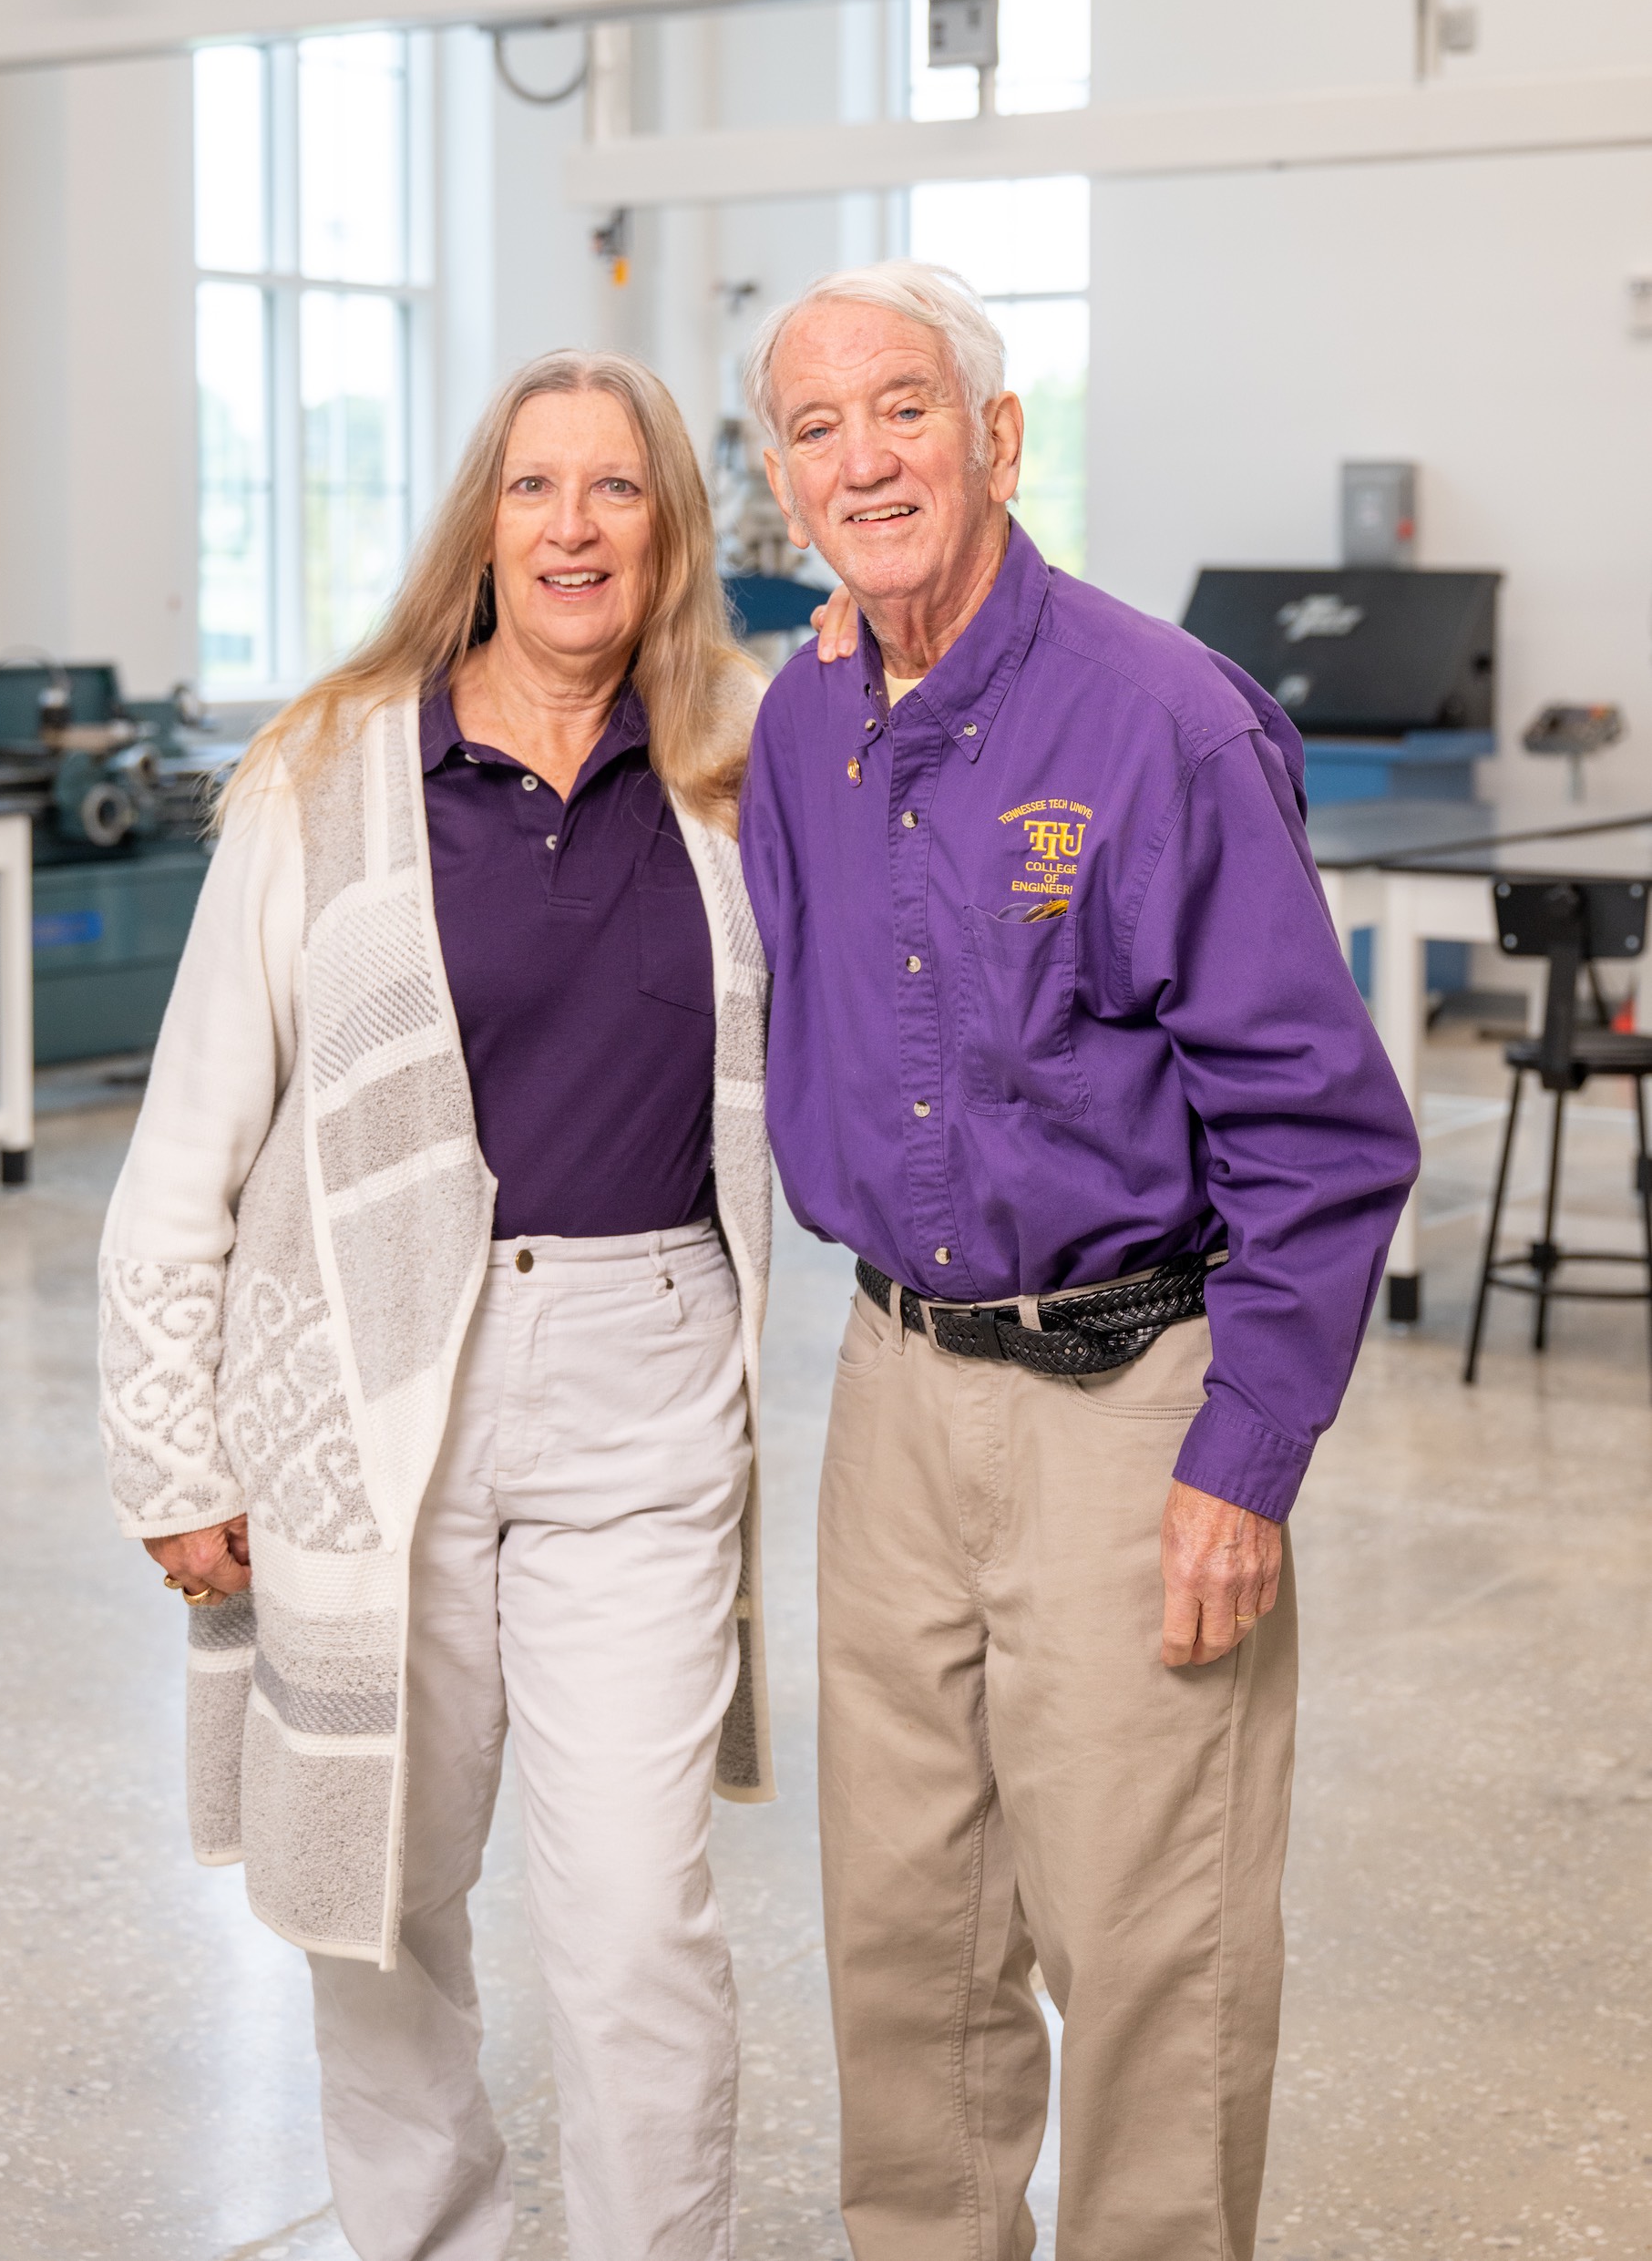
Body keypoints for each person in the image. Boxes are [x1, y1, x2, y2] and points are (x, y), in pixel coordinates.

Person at [737, 262, 1421, 2261]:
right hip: (889, 1386)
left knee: (1146, 1945)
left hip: (1133, 1400)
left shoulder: (1163, 727)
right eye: (814, 426)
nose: (862, 458)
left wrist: (1242, 1457)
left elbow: (1317, 1131)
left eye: (903, 408)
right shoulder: (799, 724)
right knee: (900, 1927)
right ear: (780, 483)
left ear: (996, 435)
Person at [97, 351, 776, 2261]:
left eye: (617, 491)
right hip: (368, 1387)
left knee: (639, 1918)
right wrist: (170, 1442)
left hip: (642, 1384)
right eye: (534, 487)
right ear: (480, 521)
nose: (572, 527)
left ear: (671, 529)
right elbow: (192, 1138)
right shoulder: (332, 769)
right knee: (380, 1894)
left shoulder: (739, 771)